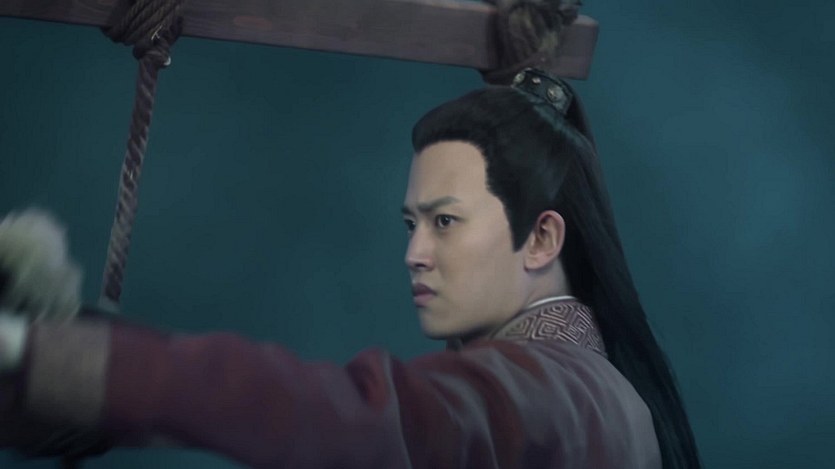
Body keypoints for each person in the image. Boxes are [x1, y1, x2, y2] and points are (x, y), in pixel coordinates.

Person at [0, 68, 700, 468]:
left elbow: (331, 411)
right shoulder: (595, 391)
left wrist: (32, 349)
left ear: (541, 238)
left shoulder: (550, 390)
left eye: (444, 222)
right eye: (411, 224)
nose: (414, 253)